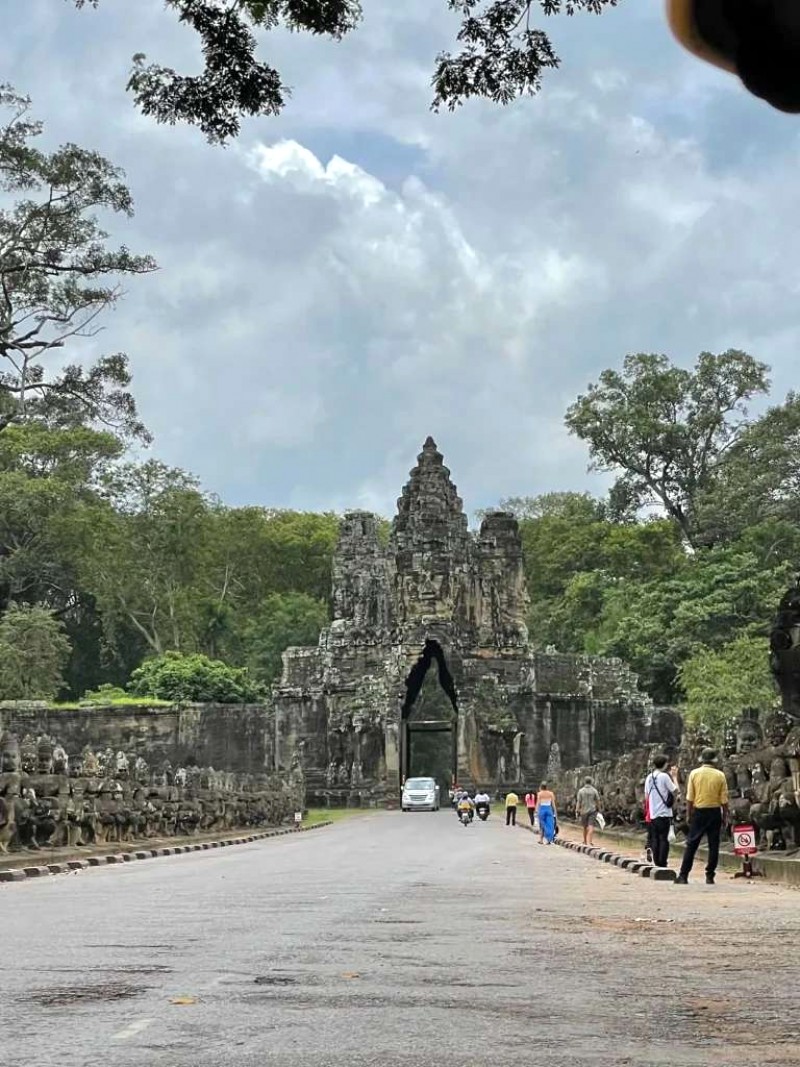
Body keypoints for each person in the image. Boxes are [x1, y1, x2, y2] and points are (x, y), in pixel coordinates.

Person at [675, 748, 729, 885]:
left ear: (702, 760)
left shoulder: (694, 774)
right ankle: (710, 875)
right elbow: (724, 800)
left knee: (691, 844)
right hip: (715, 812)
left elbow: (689, 797)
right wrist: (725, 816)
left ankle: (683, 875)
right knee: (714, 845)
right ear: (714, 760)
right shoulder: (720, 775)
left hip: (699, 812)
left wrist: (688, 814)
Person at [644, 756, 679, 868]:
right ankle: (662, 862)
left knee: (655, 838)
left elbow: (646, 796)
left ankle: (657, 861)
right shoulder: (664, 776)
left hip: (653, 813)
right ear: (664, 764)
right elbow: (675, 790)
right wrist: (674, 777)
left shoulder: (649, 777)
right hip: (664, 812)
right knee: (664, 838)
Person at [575, 777, 601, 846]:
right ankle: (589, 841)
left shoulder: (581, 791)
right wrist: (599, 808)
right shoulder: (594, 790)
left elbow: (579, 802)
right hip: (592, 810)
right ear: (591, 782)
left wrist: (577, 810)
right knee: (591, 826)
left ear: (584, 782)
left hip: (583, 811)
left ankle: (585, 841)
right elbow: (598, 801)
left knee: (585, 827)